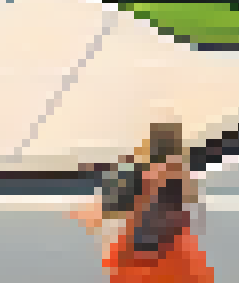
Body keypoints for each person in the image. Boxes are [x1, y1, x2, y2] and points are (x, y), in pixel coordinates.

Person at [75, 121, 216, 283]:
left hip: (145, 256)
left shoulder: (143, 176)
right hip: (166, 254)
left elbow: (113, 205)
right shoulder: (178, 176)